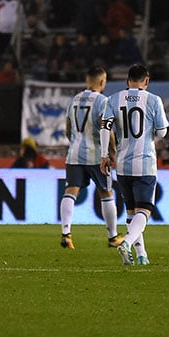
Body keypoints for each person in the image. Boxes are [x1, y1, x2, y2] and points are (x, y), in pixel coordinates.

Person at [104, 64, 169, 266]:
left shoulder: (113, 99)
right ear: (147, 81)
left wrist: (104, 155)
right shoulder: (153, 100)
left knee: (131, 212)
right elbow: (162, 132)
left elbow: (105, 127)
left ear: (127, 81)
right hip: (145, 163)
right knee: (145, 210)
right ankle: (127, 243)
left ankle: (141, 256)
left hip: (123, 164)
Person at [59, 66, 122, 250]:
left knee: (71, 191)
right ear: (102, 82)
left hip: (74, 154)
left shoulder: (74, 100)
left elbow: (67, 129)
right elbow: (106, 128)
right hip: (96, 155)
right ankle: (112, 237)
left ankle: (66, 233)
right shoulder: (103, 101)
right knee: (106, 193)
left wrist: (75, 142)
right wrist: (112, 151)